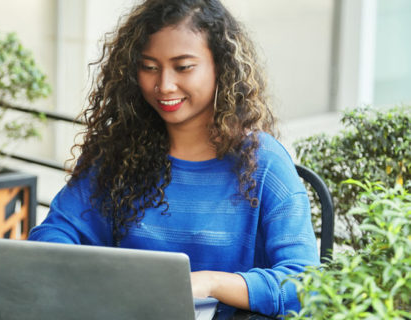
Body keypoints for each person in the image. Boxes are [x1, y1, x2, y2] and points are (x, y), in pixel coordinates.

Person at [28, 0, 319, 317]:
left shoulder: (263, 162)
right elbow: (53, 235)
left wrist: (208, 284)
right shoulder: (118, 151)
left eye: (183, 67)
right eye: (149, 67)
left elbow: (304, 284)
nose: (163, 85)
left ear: (221, 66)